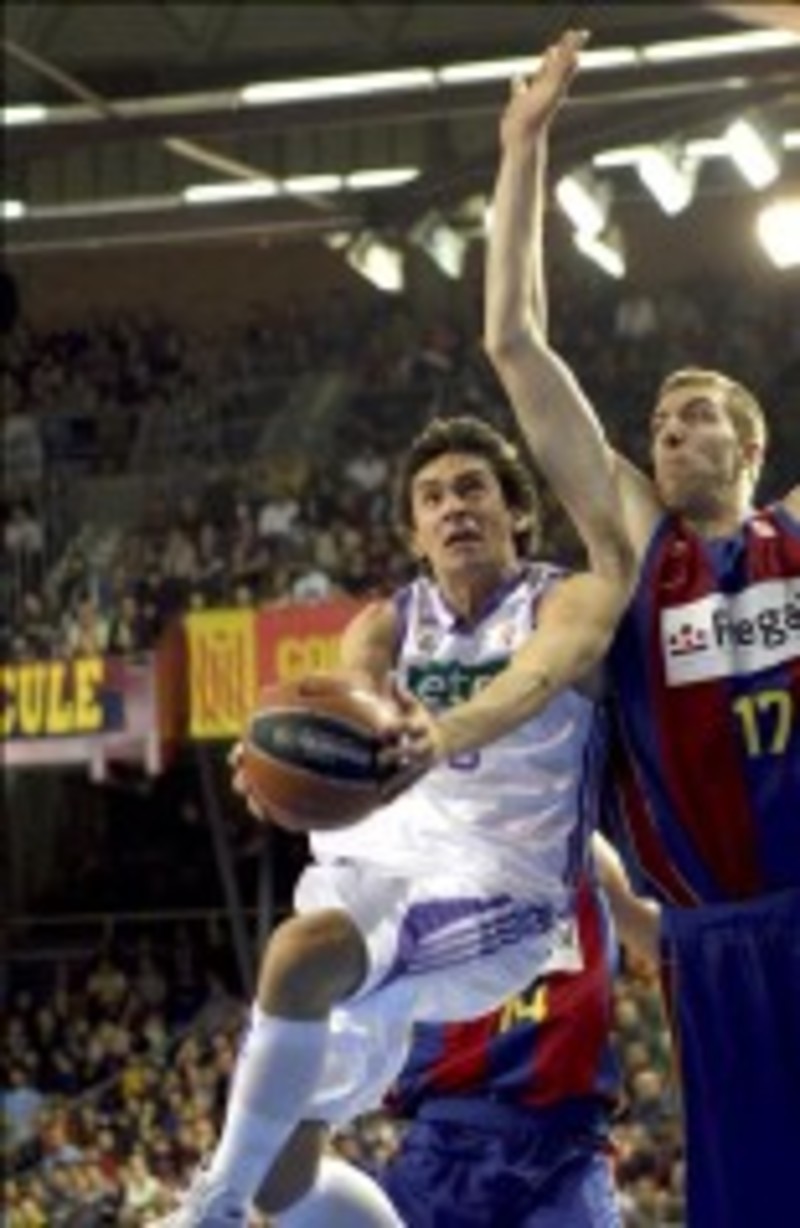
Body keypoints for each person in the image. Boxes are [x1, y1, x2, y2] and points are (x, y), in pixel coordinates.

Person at [153, 415, 631, 1226]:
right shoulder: (386, 623)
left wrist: (443, 733)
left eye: (473, 489)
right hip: (394, 861)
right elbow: (351, 733)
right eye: (432, 498)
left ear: (517, 511)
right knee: (286, 1177)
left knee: (299, 955)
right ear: (415, 532)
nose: (454, 507)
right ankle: (243, 1191)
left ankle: (215, 1205)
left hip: (507, 889)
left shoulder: (566, 600)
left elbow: (538, 679)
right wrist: (278, 769)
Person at [483, 29, 800, 1228]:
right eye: (658, 421)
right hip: (712, 943)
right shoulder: (638, 545)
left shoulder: (790, 535)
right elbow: (515, 347)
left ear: (748, 444)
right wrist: (523, 149)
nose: (666, 431)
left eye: (693, 414)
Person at [372, 862, 624, 1228]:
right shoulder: (424, 863)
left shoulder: (578, 847)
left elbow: (641, 919)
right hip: (450, 1137)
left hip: (566, 1146)